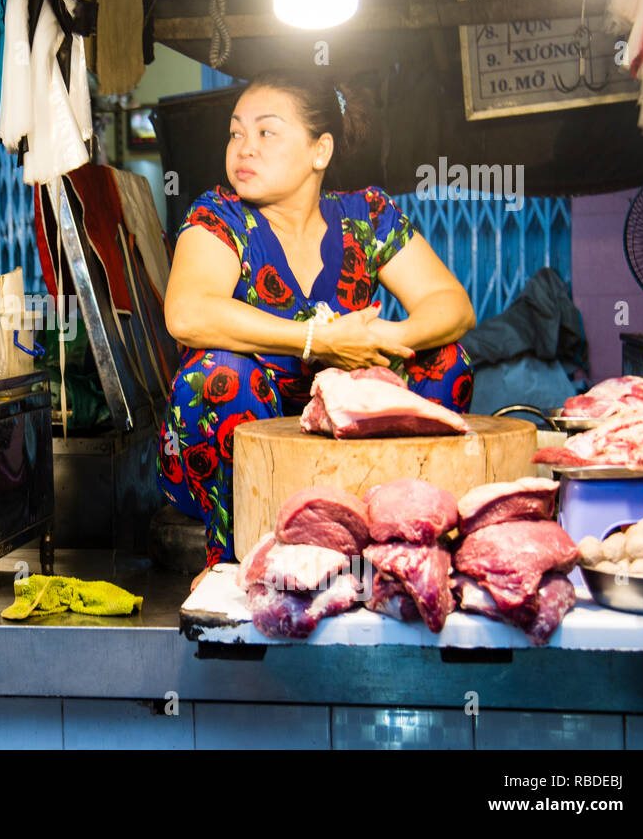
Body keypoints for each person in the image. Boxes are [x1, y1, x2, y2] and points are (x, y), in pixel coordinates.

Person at [158, 70, 477, 590]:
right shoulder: (217, 217)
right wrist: (317, 341)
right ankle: (238, 561)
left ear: (320, 150)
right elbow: (188, 314)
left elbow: (452, 305)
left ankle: (403, 543)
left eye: (266, 133)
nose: (244, 148)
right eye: (236, 133)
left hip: (345, 439)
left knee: (446, 358)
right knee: (219, 373)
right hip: (234, 448)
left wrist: (383, 343)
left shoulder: (367, 216)